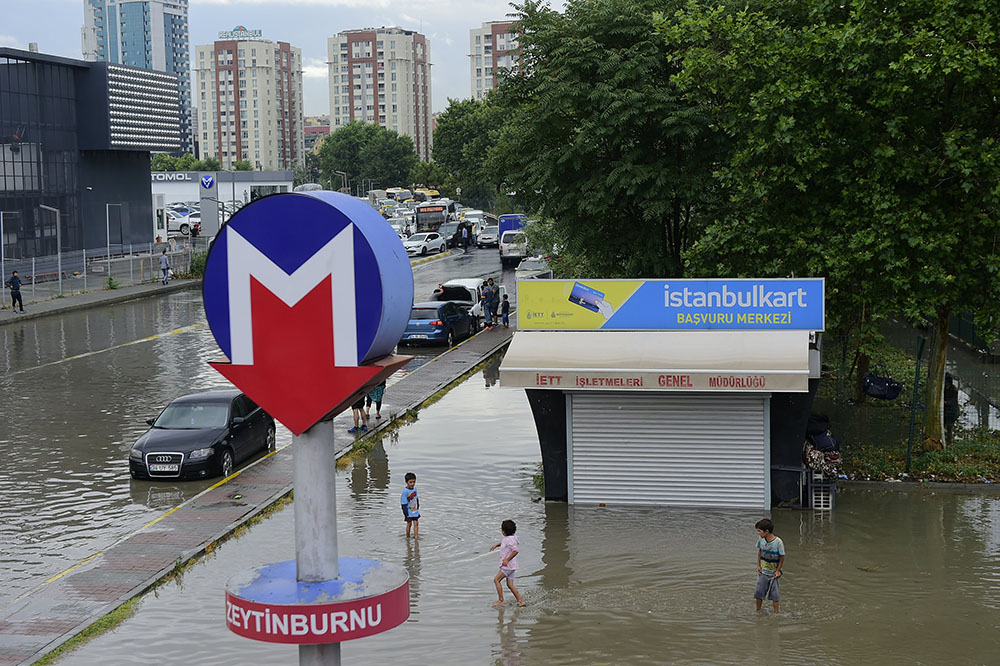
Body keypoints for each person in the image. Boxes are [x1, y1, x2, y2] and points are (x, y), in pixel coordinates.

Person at [490, 519, 526, 607]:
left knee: (496, 580)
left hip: (507, 566)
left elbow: (515, 551)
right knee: (510, 585)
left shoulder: (507, 540)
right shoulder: (513, 537)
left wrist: (507, 560)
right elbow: (507, 543)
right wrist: (497, 545)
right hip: (512, 566)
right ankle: (521, 601)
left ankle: (501, 600)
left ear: (503, 531)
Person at [754, 518, 784, 613]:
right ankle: (758, 611)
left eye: (759, 531)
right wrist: (759, 566)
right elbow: (760, 552)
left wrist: (778, 570)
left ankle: (776, 613)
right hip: (763, 571)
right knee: (759, 593)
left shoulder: (778, 542)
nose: (758, 533)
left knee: (775, 595)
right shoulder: (761, 540)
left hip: (774, 573)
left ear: (766, 531)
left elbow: (782, 557)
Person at [401, 472, 420, 539]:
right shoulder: (405, 492)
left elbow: (416, 498)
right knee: (409, 524)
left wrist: (418, 506)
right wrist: (406, 513)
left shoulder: (415, 489)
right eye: (410, 482)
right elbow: (403, 503)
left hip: (414, 510)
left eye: (414, 482)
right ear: (407, 482)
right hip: (408, 511)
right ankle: (408, 537)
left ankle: (416, 536)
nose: (412, 484)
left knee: (416, 523)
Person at [944, 373, 959, 446]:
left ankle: (949, 443)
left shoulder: (953, 389)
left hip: (952, 412)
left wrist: (946, 402)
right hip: (944, 411)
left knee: (949, 427)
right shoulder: (943, 389)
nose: (946, 383)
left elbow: (954, 401)